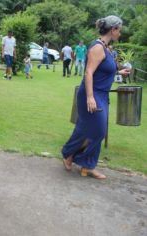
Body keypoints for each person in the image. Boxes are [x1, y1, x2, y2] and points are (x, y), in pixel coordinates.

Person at [61, 15, 130, 179]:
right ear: (113, 30)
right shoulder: (98, 47)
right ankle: (69, 154)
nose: (120, 33)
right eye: (119, 30)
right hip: (92, 93)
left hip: (102, 94)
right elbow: (89, 72)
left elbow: (103, 71)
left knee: (91, 129)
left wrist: (119, 72)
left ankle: (87, 165)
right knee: (97, 131)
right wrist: (90, 97)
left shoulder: (106, 48)